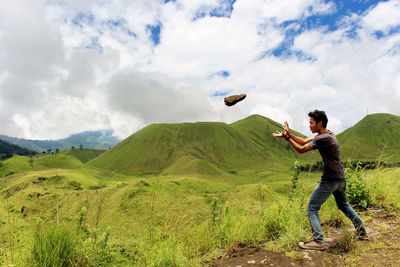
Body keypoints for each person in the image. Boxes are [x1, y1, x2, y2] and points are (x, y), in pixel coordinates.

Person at [273, 110, 367, 250]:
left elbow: (300, 149)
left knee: (312, 208)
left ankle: (318, 242)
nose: (309, 125)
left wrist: (288, 138)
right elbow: (304, 140)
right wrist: (288, 135)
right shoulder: (328, 134)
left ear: (319, 123)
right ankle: (362, 231)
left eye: (311, 123)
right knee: (344, 205)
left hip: (330, 180)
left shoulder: (322, 139)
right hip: (340, 178)